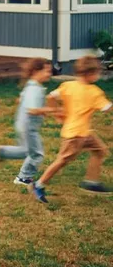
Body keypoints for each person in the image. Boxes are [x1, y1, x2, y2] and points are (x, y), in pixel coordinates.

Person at [30, 55, 113, 202]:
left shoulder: (68, 85)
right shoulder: (94, 92)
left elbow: (51, 97)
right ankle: (38, 184)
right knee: (62, 160)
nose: (98, 76)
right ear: (89, 74)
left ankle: (91, 182)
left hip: (83, 133)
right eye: (97, 73)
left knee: (100, 151)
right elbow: (107, 108)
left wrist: (56, 113)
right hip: (76, 135)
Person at [0, 59, 54, 187]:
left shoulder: (30, 85)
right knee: (36, 154)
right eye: (47, 71)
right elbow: (32, 109)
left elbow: (20, 100)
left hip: (22, 123)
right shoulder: (35, 89)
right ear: (35, 71)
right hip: (29, 127)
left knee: (25, 151)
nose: (49, 74)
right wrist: (49, 109)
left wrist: (40, 109)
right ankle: (24, 178)